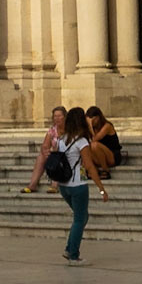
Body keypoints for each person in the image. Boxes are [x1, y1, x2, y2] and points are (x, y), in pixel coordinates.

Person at [58, 105, 109, 264]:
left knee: (81, 217)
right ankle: (73, 254)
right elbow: (90, 166)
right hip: (77, 185)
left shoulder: (61, 139)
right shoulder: (81, 141)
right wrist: (101, 189)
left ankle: (69, 248)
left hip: (63, 185)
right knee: (80, 219)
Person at [23, 106, 67, 194]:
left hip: (67, 155)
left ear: (65, 117)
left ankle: (54, 185)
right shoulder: (52, 130)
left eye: (59, 116)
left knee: (57, 158)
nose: (57, 118)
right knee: (41, 156)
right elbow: (45, 145)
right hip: (56, 155)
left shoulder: (70, 129)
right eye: (55, 116)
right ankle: (33, 184)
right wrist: (46, 151)